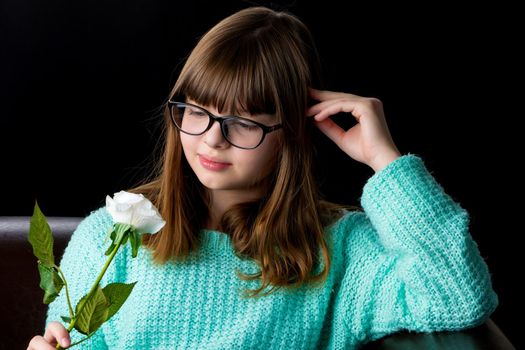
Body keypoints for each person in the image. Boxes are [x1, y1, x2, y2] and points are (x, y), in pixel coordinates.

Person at [28, 6, 498, 350]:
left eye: (246, 122)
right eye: (196, 112)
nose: (212, 139)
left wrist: (384, 159)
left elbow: (457, 295)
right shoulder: (114, 234)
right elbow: (75, 342)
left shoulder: (337, 251)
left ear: (291, 132)